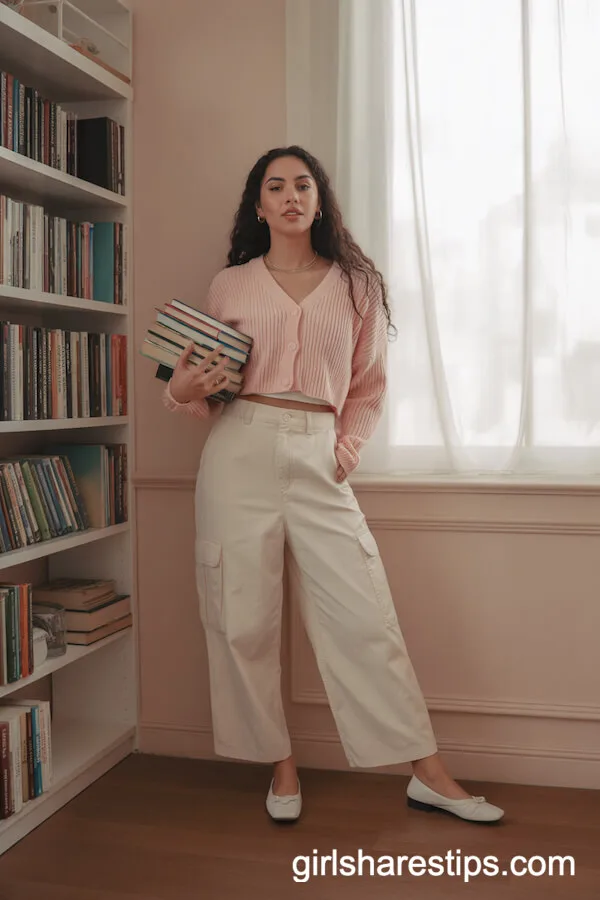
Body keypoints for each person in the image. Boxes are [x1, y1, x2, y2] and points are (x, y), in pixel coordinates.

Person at [163, 146, 504, 825]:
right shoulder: (229, 285)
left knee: (363, 612)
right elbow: (201, 383)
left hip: (319, 451)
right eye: (275, 186)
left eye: (303, 185)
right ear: (258, 207)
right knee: (241, 614)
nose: (291, 196)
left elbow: (370, 386)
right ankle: (280, 766)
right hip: (239, 450)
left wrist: (344, 450)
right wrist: (180, 389)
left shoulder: (356, 286)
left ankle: (426, 772)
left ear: (320, 201)